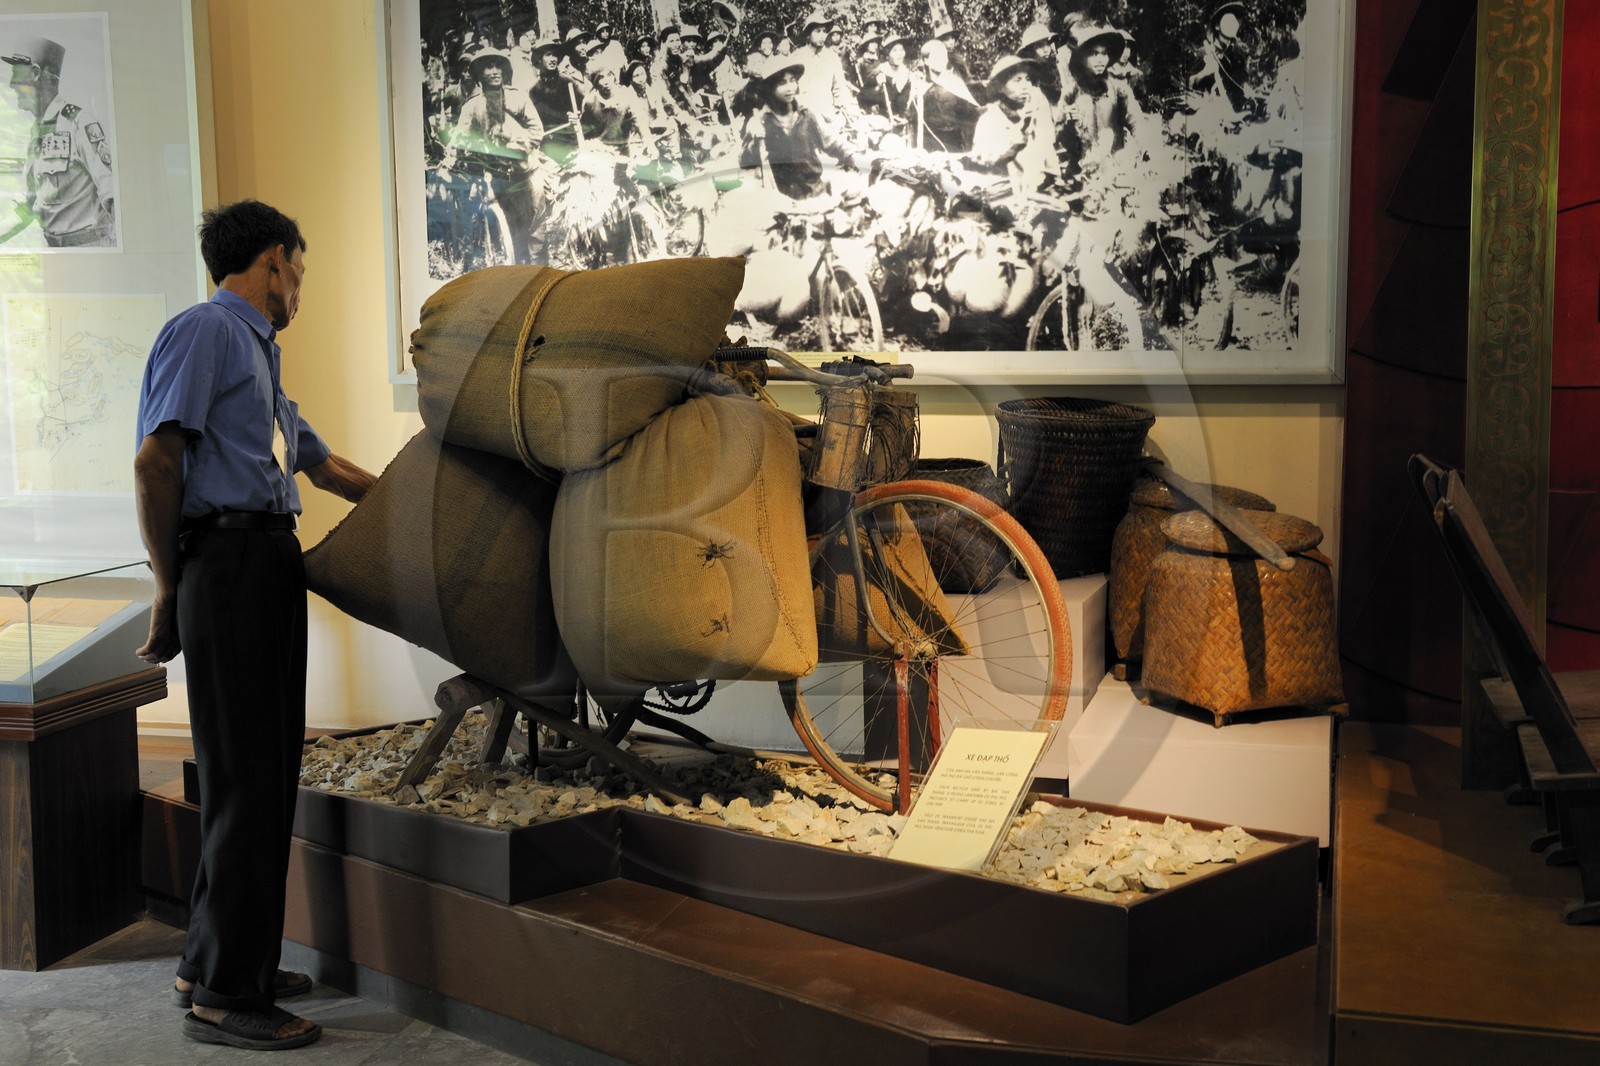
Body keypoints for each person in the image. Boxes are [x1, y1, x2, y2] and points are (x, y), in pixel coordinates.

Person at [134, 200, 376, 1051]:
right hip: (227, 565)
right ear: (274, 261)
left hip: (265, 560)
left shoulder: (259, 356)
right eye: (299, 272)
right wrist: (171, 587)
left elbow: (321, 462)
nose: (299, 289)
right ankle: (226, 997)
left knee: (261, 774)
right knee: (246, 780)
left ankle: (213, 962)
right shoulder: (205, 331)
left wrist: (413, 501)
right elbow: (156, 460)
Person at [0, 35, 116, 247]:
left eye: (16, 74)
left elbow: (112, 196)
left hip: (91, 252)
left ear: (35, 73)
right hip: (56, 253)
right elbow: (28, 206)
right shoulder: (37, 132)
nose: (11, 84)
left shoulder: (78, 124)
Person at [442, 48, 546, 263]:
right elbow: (460, 137)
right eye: (489, 67)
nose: (495, 71)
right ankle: (520, 272)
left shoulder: (518, 97)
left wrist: (516, 142)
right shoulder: (472, 106)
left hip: (527, 171)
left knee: (536, 228)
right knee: (512, 227)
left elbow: (537, 131)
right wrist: (459, 152)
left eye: (498, 66)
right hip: (499, 176)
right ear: (479, 74)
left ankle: (541, 270)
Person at [740, 60, 866, 201]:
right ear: (769, 88)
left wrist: (856, 159)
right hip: (782, 197)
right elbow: (745, 162)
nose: (789, 88)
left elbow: (831, 142)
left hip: (815, 189)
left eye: (792, 81)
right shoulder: (760, 122)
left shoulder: (806, 115)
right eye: (782, 83)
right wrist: (754, 141)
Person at [916, 38, 979, 153]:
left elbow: (972, 116)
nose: (942, 60)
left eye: (944, 56)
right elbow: (913, 122)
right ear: (926, 61)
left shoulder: (955, 84)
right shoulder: (919, 88)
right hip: (928, 147)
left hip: (954, 145)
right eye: (936, 56)